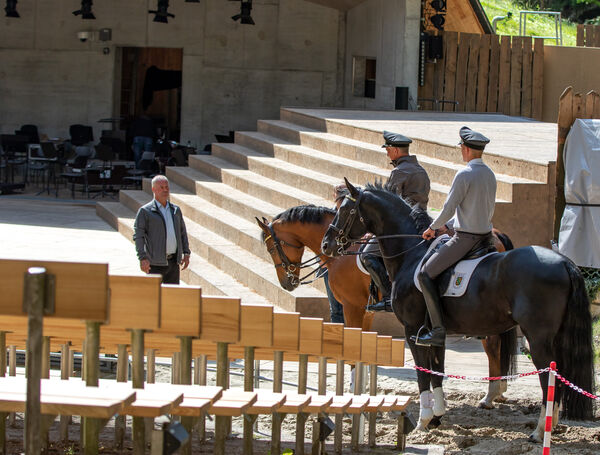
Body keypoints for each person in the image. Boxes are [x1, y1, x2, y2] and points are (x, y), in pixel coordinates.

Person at [411, 126, 496, 347]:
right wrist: (446, 226)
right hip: (487, 237)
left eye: (461, 148)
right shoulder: (489, 173)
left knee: (425, 274)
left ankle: (438, 330)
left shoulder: (465, 174)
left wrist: (433, 227)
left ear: (466, 149)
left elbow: (450, 207)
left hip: (466, 239)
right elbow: (475, 209)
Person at [362, 131, 431, 312]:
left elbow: (390, 206)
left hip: (402, 227)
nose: (387, 153)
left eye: (388, 150)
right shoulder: (421, 170)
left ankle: (387, 297)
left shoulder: (399, 172)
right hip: (422, 222)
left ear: (394, 150)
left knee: (367, 256)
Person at [133, 175, 191, 284]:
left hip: (173, 263)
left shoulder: (175, 210)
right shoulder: (145, 211)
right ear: (153, 189)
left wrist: (186, 253)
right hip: (154, 264)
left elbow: (182, 232)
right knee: (153, 298)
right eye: (161, 187)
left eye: (167, 187)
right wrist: (142, 258)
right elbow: (138, 236)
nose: (165, 190)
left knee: (171, 297)